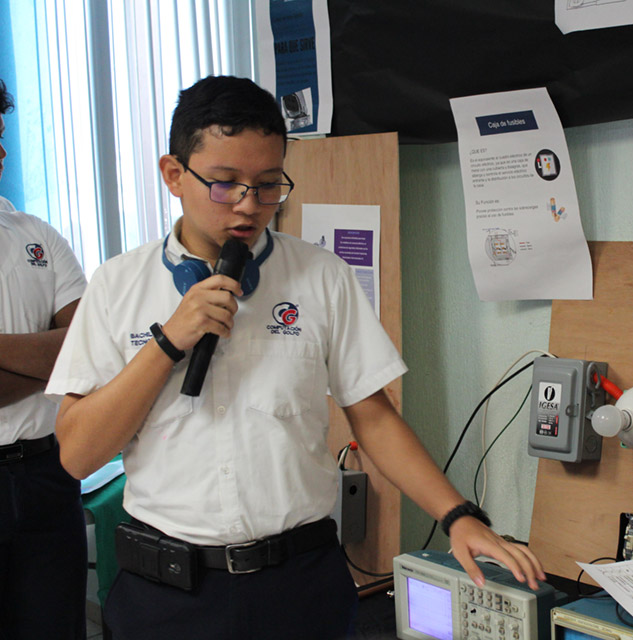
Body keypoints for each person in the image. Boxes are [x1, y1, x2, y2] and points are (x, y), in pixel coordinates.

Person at [48, 75, 545, 639]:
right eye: (225, 183)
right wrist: (168, 342)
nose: (248, 205)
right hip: (167, 597)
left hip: (299, 587)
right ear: (173, 174)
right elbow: (76, 453)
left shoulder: (321, 276)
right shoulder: (118, 285)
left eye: (267, 185)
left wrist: (457, 516)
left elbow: (374, 416)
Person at [0, 79, 88, 639]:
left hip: (45, 474)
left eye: (1, 136)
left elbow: (85, 352)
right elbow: (64, 350)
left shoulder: (38, 236)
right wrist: (45, 354)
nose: (2, 152)